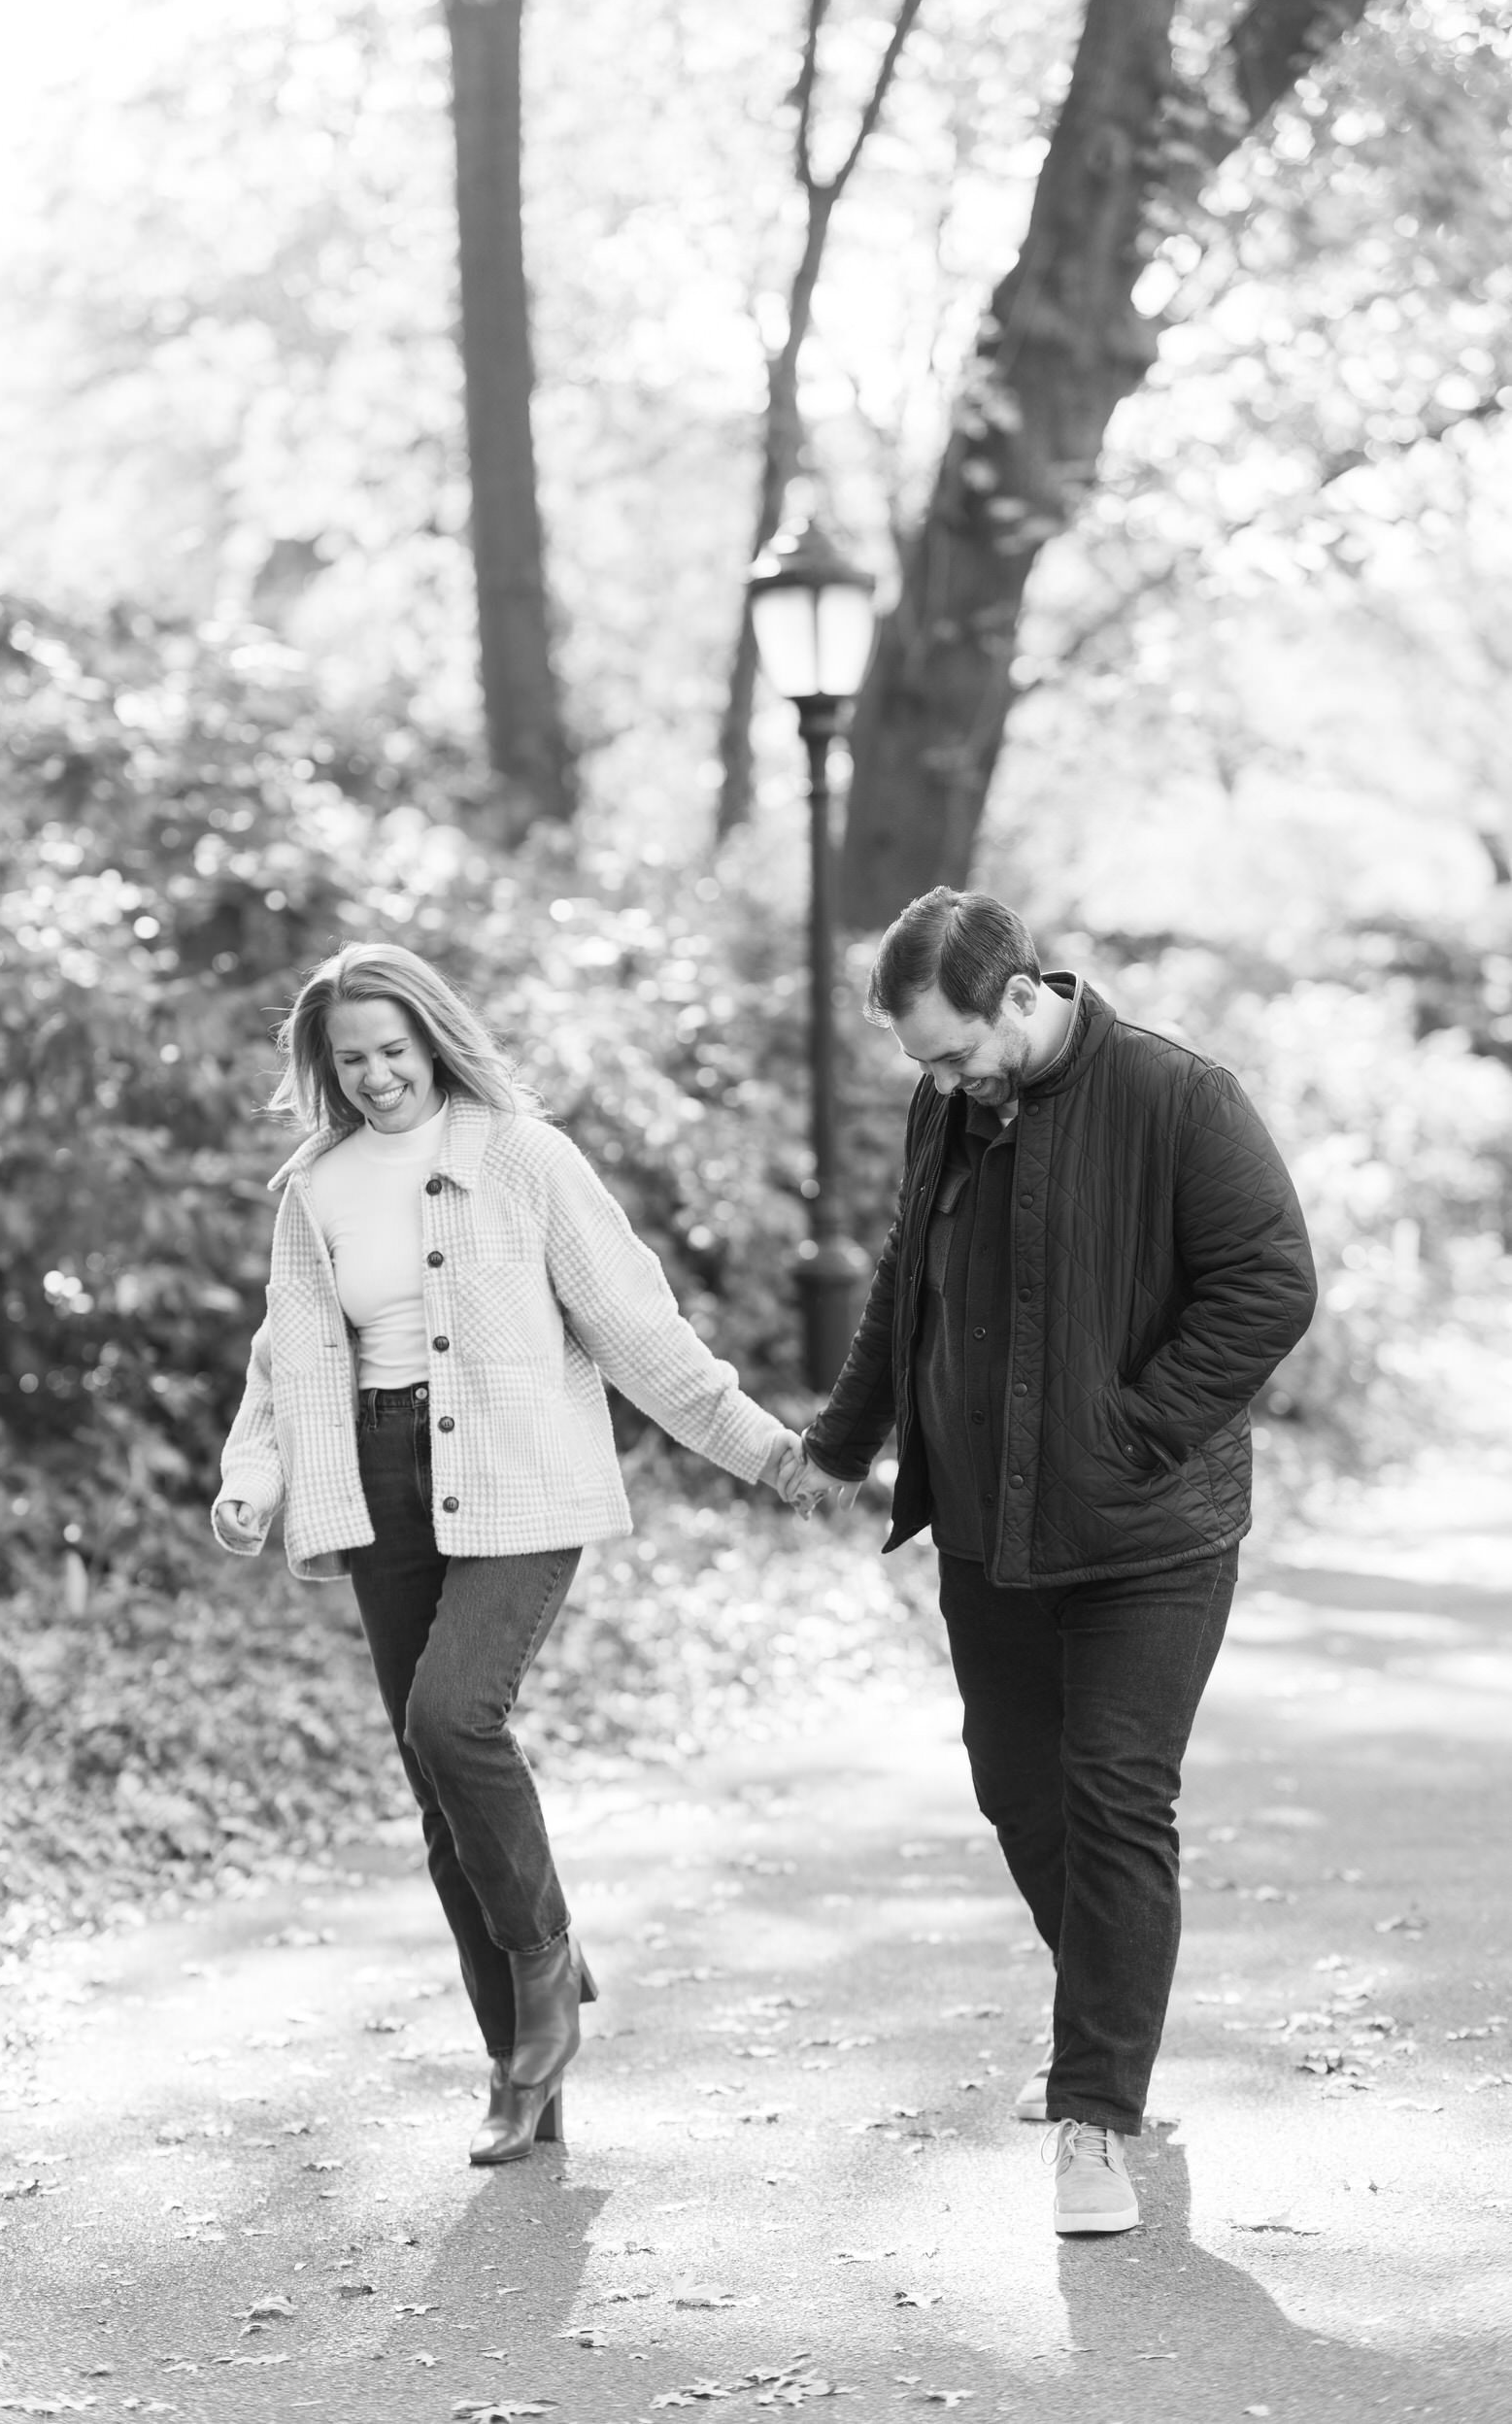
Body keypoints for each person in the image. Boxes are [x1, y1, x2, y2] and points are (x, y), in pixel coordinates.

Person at [213, 941, 803, 2167]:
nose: (376, 1076)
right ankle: (519, 2070)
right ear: (324, 1067)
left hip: (520, 1477)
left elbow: (636, 1326)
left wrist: (767, 1452)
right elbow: (286, 1356)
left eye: (393, 1049)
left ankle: (544, 1965)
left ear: (433, 1040)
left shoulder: (525, 1159)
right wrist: (251, 1481)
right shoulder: (315, 1188)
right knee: (437, 1793)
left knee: (451, 1718)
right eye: (350, 1059)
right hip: (378, 1480)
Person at [785, 891, 1316, 2236]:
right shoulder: (951, 1106)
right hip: (985, 1525)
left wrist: (1132, 1428)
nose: (940, 1081)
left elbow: (1267, 1281)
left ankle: (1093, 2115)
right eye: (922, 1063)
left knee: (1114, 1796)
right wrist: (841, 1440)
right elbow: (905, 1275)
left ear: (1020, 994)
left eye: (954, 1051)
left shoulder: (1178, 1099)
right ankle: (1107, 2024)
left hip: (1148, 1534)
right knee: (1017, 1791)